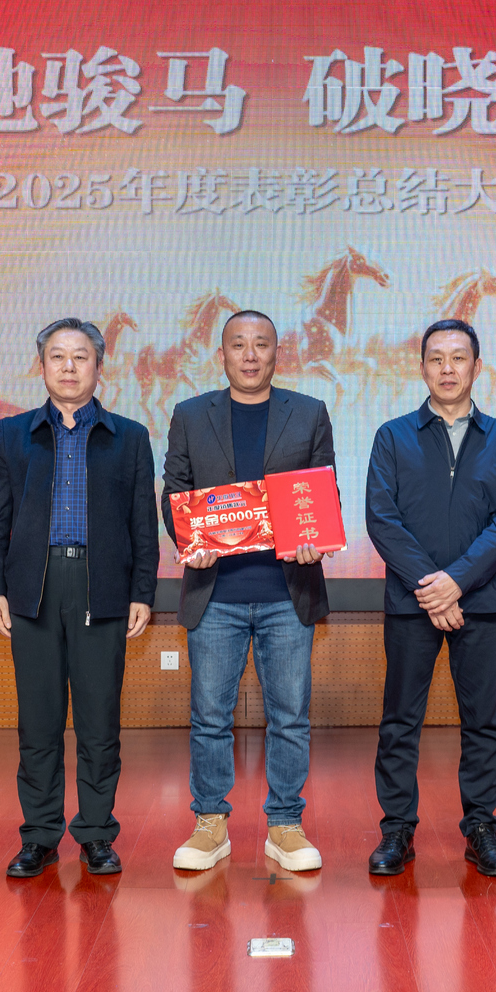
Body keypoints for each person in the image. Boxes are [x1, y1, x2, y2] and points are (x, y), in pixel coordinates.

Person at [0, 318, 157, 878]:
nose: (69, 367)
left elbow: (143, 524)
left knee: (100, 723)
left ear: (99, 366)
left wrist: (142, 591)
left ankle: (97, 835)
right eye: (58, 356)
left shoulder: (130, 437)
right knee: (39, 722)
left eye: (81, 357)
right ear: (41, 366)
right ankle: (39, 836)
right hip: (32, 589)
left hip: (101, 587)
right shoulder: (13, 433)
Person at [163, 310, 336, 873]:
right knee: (210, 716)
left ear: (276, 353)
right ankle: (210, 823)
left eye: (261, 344)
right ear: (222, 354)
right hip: (215, 594)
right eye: (238, 344)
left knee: (290, 717)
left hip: (288, 593)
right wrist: (190, 541)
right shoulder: (191, 415)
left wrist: (314, 540)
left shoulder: (308, 412)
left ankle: (285, 824)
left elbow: (322, 491)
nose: (250, 355)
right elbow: (175, 492)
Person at [365, 318, 496, 878]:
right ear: (422, 368)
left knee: (483, 723)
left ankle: (482, 829)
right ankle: (397, 831)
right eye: (436, 358)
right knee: (399, 721)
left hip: (482, 601)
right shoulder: (392, 437)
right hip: (412, 602)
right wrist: (433, 589)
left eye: (458, 358)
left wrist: (456, 583)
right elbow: (382, 520)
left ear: (477, 367)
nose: (447, 368)